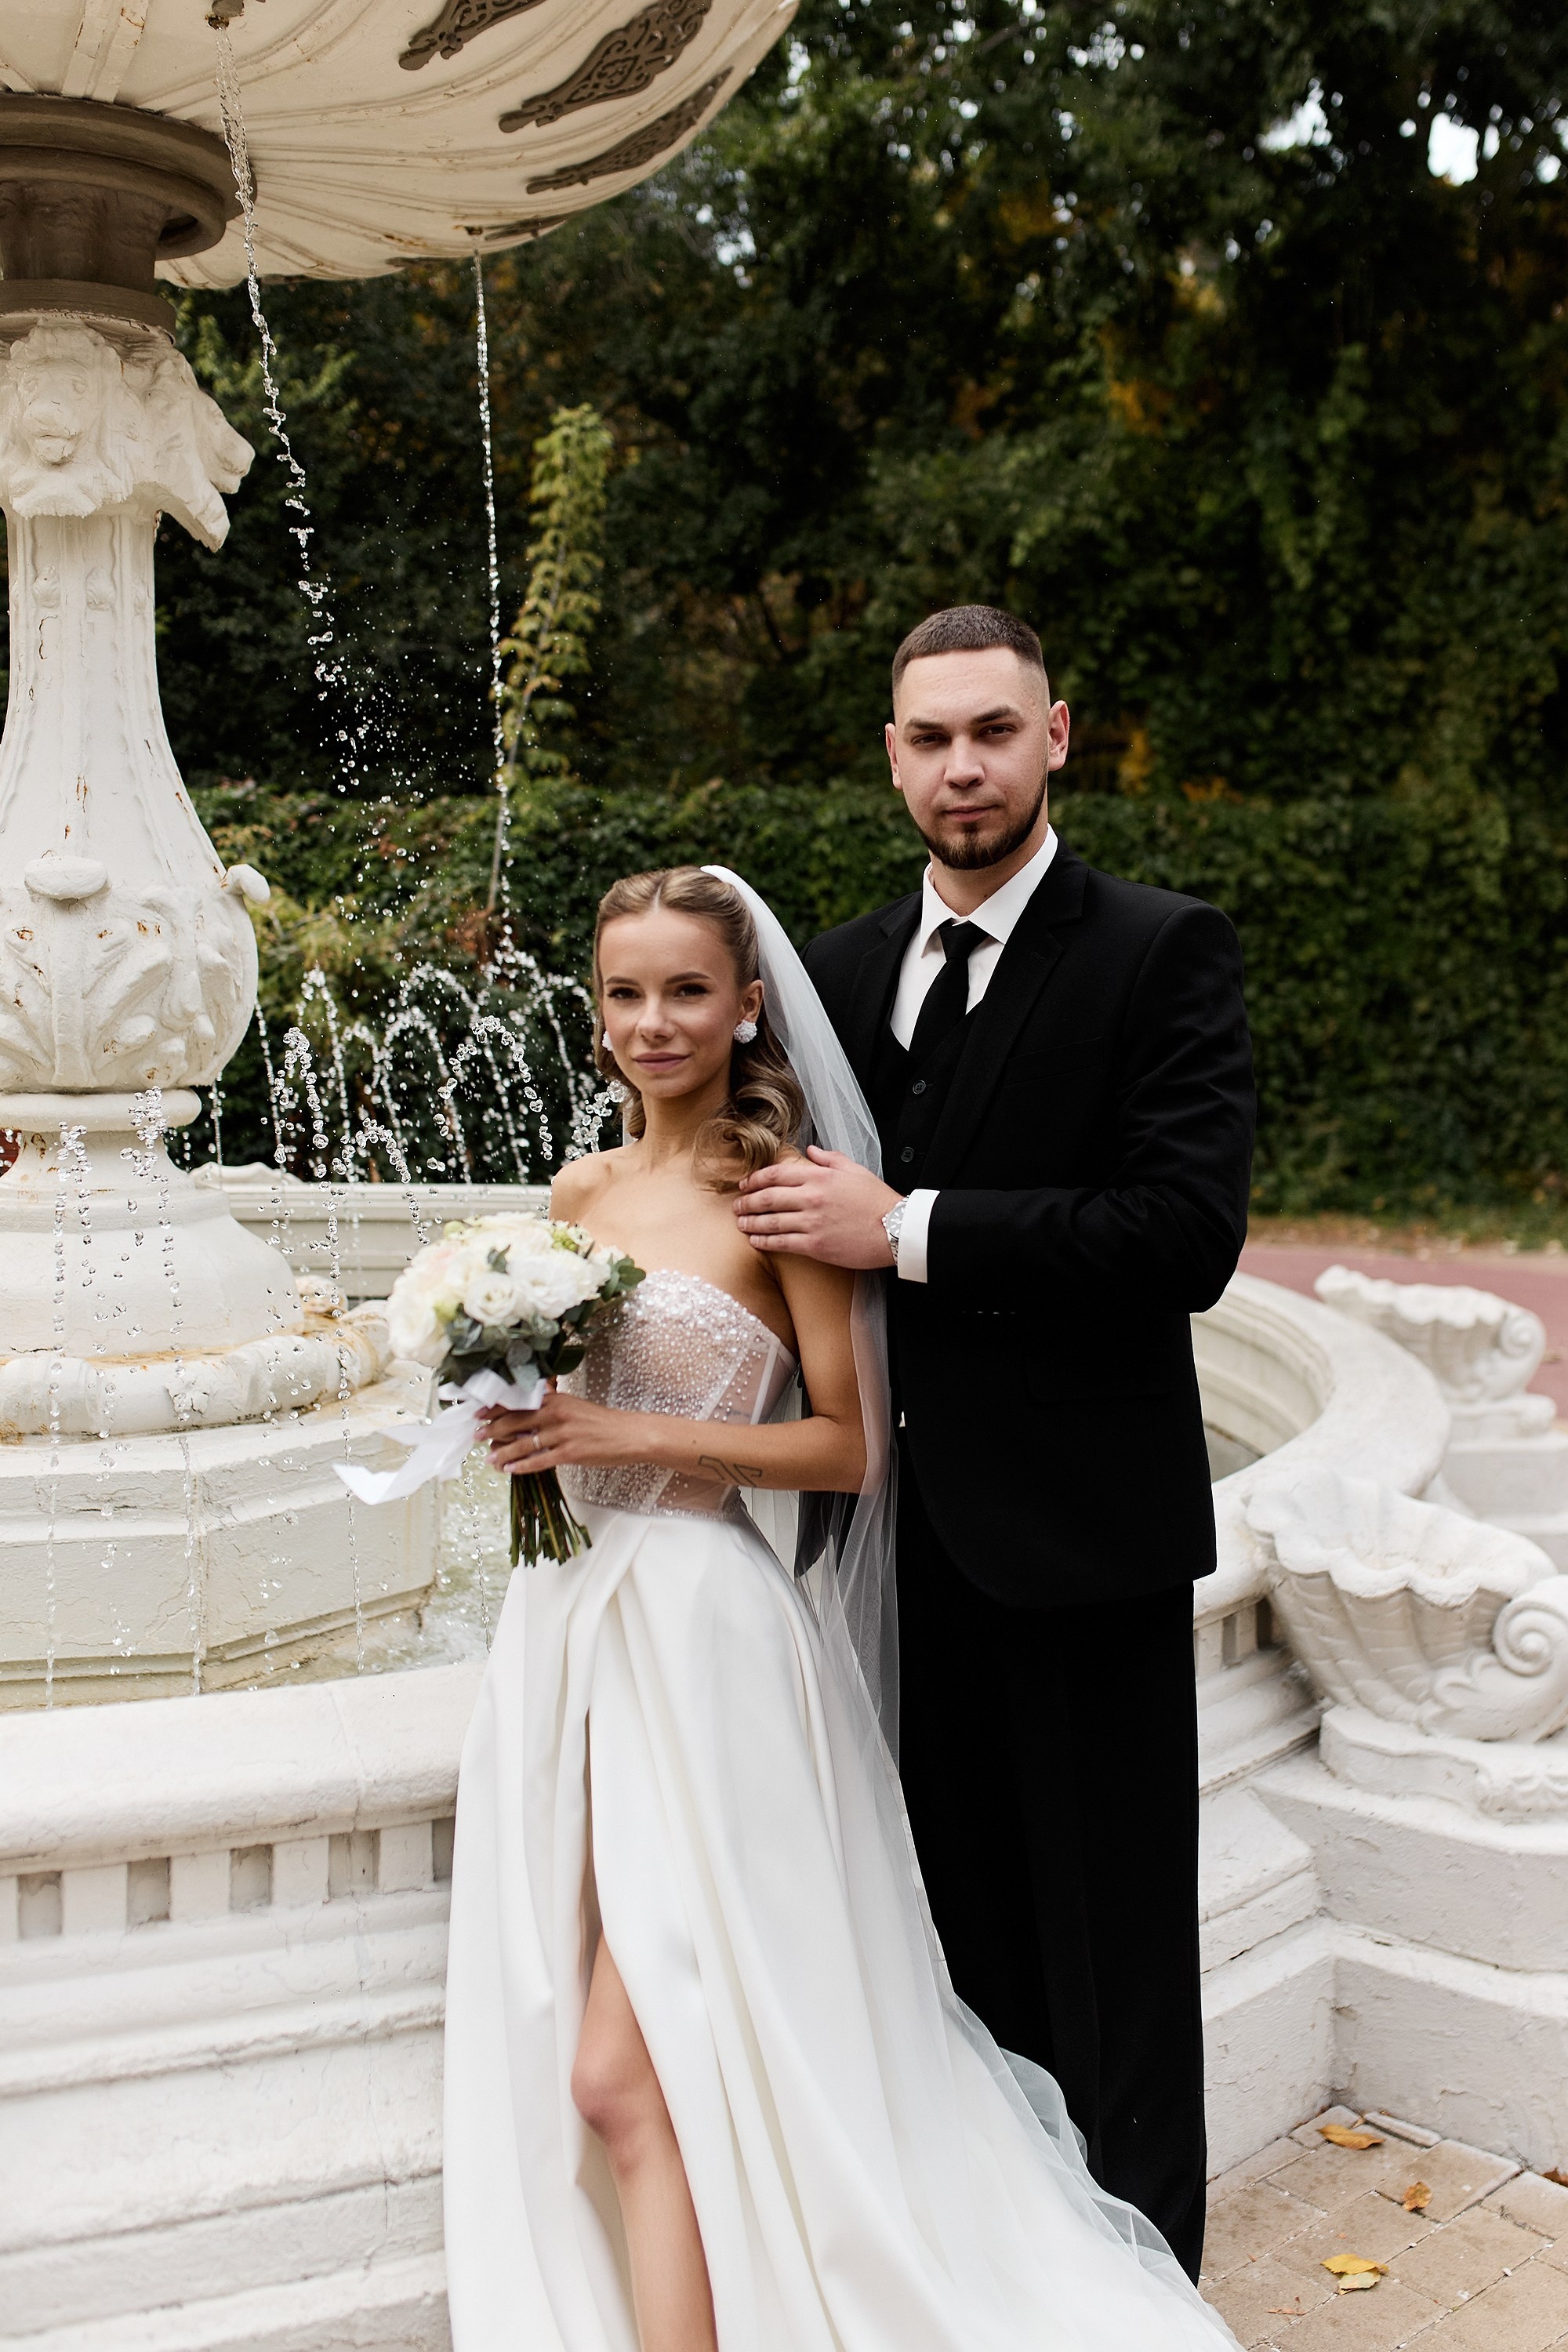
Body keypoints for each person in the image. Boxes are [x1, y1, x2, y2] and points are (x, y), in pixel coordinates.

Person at [441, 862, 1240, 2350]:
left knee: (628, 2069)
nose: (653, 1022)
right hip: (571, 1629)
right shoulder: (575, 1197)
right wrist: (501, 1406)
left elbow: (850, 1448)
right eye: (626, 993)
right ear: (595, 1010)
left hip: (705, 1639)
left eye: (688, 990)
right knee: (611, 2064)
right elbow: (563, 1416)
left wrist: (628, 1434)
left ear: (750, 1006)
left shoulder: (782, 1195)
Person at [734, 605, 1256, 2280]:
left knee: (1111, 1957)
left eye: (993, 731)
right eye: (930, 738)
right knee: (943, 1943)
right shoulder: (830, 973)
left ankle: (1143, 2288)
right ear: (890, 757)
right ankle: (996, 2278)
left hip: (1081, 1539)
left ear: (1056, 737)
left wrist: (908, 1229)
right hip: (889, 1544)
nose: (962, 766)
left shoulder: (1161, 949)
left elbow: (1182, 1234)